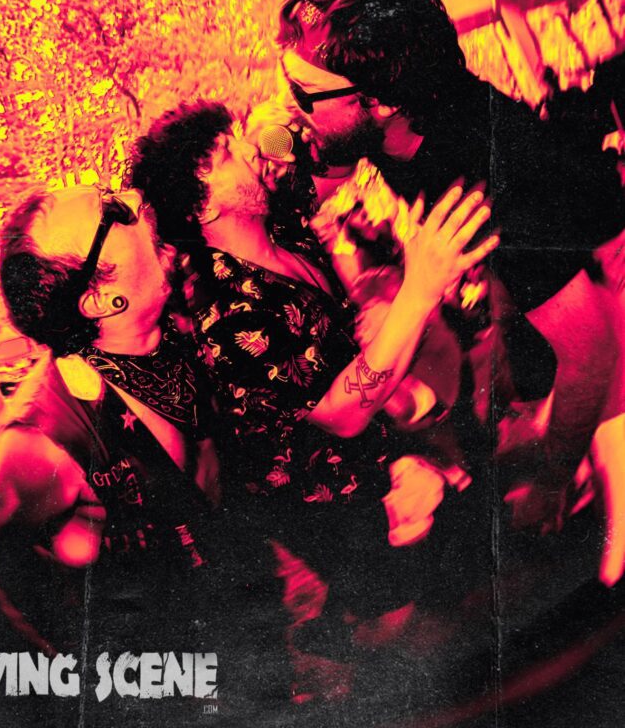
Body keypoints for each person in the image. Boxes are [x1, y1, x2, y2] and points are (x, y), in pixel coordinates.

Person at [274, 0, 625, 570]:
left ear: (380, 103)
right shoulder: (394, 121)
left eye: (305, 95)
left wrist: (548, 485)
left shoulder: (482, 173)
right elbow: (321, 178)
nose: (292, 108)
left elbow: (591, 353)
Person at [130, 101, 498, 642]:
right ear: (202, 206)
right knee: (394, 619)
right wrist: (419, 289)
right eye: (228, 152)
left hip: (380, 451)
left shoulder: (281, 222)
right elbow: (342, 413)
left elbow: (334, 164)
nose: (249, 150)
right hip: (325, 499)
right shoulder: (226, 315)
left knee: (455, 565)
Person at [0, 183, 283, 723]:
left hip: (251, 639)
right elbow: (8, 581)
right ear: (100, 299)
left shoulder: (186, 330)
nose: (136, 198)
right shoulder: (40, 439)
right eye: (114, 211)